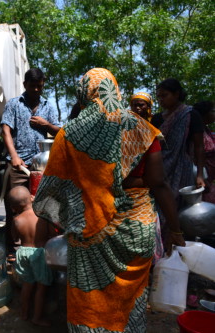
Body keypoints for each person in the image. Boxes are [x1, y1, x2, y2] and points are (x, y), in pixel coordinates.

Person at [32, 68, 185, 332]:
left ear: (84, 94)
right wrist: (176, 229)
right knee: (130, 301)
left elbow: (57, 187)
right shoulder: (142, 129)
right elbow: (159, 183)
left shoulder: (69, 134)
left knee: (89, 299)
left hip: (89, 231)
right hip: (136, 230)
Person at [1, 68, 61, 254]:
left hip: (42, 165)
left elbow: (59, 132)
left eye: (39, 86)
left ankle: (40, 245)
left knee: (43, 205)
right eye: (32, 86)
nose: (36, 89)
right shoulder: (14, 104)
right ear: (25, 85)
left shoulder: (48, 106)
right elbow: (5, 131)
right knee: (15, 207)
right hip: (19, 164)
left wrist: (46, 125)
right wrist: (14, 156)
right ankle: (14, 248)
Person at [9, 186, 55, 327]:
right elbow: (53, 236)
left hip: (23, 252)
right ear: (31, 198)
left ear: (13, 207)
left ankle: (24, 313)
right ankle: (36, 317)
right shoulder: (42, 216)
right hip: (39, 253)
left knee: (27, 285)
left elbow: (15, 238)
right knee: (41, 289)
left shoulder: (16, 220)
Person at [130, 91, 164, 262]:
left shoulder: (153, 134)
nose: (137, 108)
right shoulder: (123, 131)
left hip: (144, 191)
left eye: (141, 104)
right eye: (134, 104)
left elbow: (156, 177)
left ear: (149, 108)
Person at [193, 101, 215, 203]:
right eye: (212, 111)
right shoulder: (197, 133)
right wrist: (201, 176)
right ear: (204, 114)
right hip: (203, 178)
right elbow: (193, 157)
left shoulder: (206, 130)